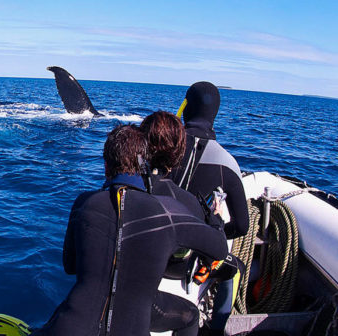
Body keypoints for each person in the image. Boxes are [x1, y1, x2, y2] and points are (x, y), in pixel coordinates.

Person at [30, 125, 228, 336]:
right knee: (190, 316)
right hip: (132, 327)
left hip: (68, 328)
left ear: (106, 166)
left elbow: (70, 266)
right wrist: (215, 218)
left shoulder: (84, 203)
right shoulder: (168, 212)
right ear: (145, 165)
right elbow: (220, 249)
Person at [141, 111, 235, 336]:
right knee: (232, 271)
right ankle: (217, 329)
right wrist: (217, 220)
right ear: (178, 153)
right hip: (161, 282)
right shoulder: (186, 203)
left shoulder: (122, 193)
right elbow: (218, 250)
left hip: (122, 281)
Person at [169, 82, 250, 334]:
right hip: (190, 262)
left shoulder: (162, 150)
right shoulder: (227, 163)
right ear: (214, 114)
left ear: (185, 107)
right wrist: (211, 234)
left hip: (154, 245)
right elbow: (243, 226)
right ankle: (217, 330)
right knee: (236, 270)